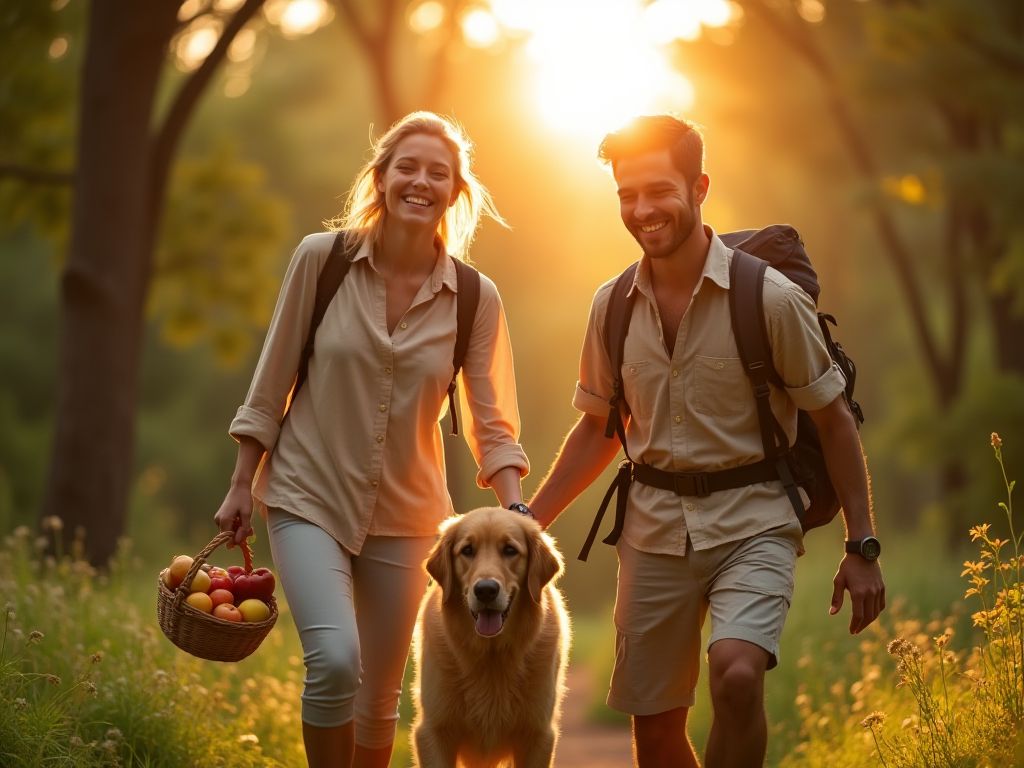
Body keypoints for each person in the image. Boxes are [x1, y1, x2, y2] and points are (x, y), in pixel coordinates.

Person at [526, 115, 885, 767]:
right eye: (627, 195)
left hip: (755, 520)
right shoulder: (610, 307)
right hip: (652, 529)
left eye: (659, 190)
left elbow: (833, 419)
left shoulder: (768, 299)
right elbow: (598, 428)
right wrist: (526, 522)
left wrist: (861, 545)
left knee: (738, 676)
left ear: (699, 187)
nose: (642, 209)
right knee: (657, 729)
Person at [214, 111, 530, 768]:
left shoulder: (474, 297)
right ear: (381, 178)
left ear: (455, 191)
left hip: (410, 515)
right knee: (334, 662)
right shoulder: (321, 261)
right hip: (308, 494)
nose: (421, 181)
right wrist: (243, 481)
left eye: (437, 173)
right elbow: (271, 382)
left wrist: (515, 508)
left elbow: (491, 422)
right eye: (406, 167)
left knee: (381, 698)